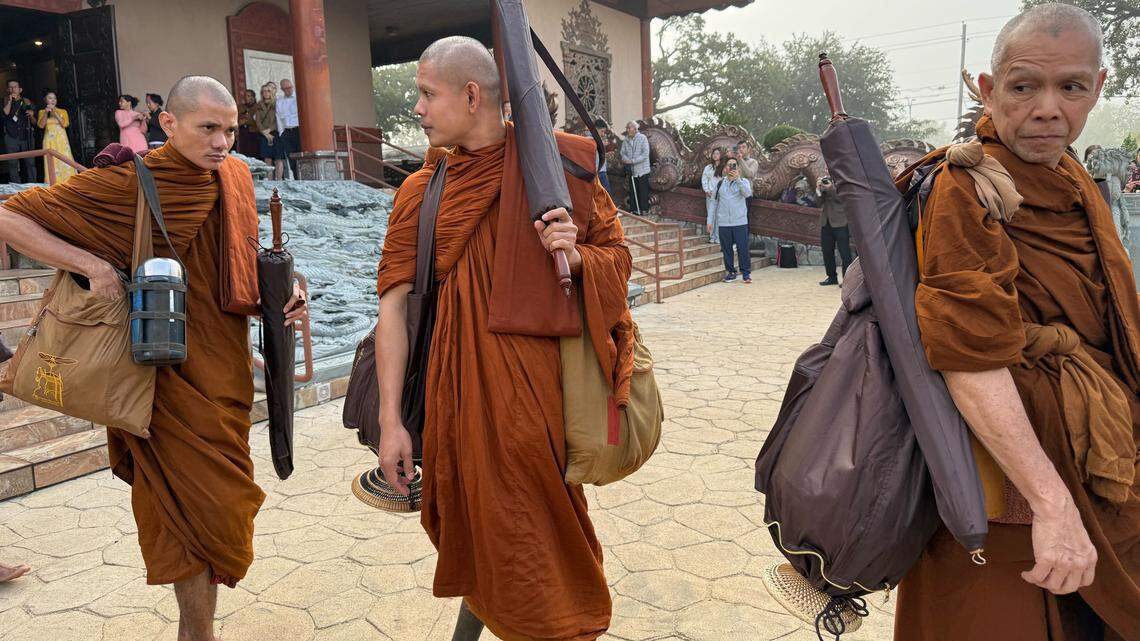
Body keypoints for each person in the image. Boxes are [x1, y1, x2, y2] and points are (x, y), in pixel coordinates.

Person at [0, 75, 309, 641]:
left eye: (230, 130)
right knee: (182, 511)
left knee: (223, 505)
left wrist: (286, 291)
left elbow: (240, 258)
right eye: (208, 128)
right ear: (168, 123)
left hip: (222, 373)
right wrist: (91, 265)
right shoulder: (130, 183)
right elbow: (8, 215)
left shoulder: (234, 178)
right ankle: (198, 633)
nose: (222, 142)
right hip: (159, 381)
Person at [894, 5, 1140, 640]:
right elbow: (970, 359)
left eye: (1071, 87)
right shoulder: (967, 184)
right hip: (1003, 476)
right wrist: (1051, 505)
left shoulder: (1070, 173)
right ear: (988, 88)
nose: (1048, 110)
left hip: (1092, 442)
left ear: (1098, 87)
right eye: (1024, 86)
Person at [374, 36, 632, 641]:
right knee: (488, 538)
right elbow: (393, 309)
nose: (417, 109)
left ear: (472, 95)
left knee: (538, 560)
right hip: (459, 411)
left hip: (540, 414)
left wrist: (578, 254)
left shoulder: (562, 171)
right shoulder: (421, 191)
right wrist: (391, 421)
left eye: (427, 94)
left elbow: (618, 265)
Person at [707, 155, 753, 283]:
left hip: (740, 222)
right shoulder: (720, 184)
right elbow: (713, 202)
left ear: (738, 168)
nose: (731, 167)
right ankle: (731, 272)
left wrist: (737, 179)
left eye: (734, 165)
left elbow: (747, 194)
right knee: (726, 249)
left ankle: (746, 273)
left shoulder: (743, 182)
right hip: (723, 223)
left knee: (742, 248)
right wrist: (709, 221)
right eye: (729, 165)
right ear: (725, 168)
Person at [816, 175, 850, 286]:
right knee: (827, 252)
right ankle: (831, 277)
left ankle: (848, 280)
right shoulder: (825, 185)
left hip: (840, 222)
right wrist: (818, 190)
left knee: (845, 252)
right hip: (825, 222)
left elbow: (842, 199)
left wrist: (831, 188)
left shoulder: (842, 181)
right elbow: (818, 203)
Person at [36, 91, 77, 184]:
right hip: (49, 141)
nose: (53, 100)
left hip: (61, 140)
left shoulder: (63, 111)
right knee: (51, 161)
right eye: (50, 98)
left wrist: (55, 111)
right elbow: (41, 126)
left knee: (65, 160)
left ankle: (69, 182)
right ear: (45, 100)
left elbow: (65, 124)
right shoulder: (42, 112)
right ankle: (53, 183)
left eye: (54, 98)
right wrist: (46, 113)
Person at [3, 80, 37, 183]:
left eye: (15, 87)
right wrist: (9, 101)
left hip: (26, 136)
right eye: (10, 87)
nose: (13, 89)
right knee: (12, 163)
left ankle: (33, 185)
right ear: (8, 90)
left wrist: (31, 115)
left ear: (20, 89)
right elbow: (5, 113)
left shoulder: (27, 102)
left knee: (30, 162)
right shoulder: (4, 101)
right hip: (11, 136)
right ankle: (16, 187)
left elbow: (35, 122)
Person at [620, 119, 650, 214]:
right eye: (627, 128)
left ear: (635, 129)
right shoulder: (626, 140)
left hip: (642, 170)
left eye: (629, 128)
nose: (627, 130)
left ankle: (644, 209)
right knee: (633, 190)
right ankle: (634, 209)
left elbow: (645, 154)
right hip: (632, 170)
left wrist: (632, 161)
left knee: (643, 190)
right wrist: (625, 159)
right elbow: (622, 153)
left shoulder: (642, 138)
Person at [254, 83, 282, 179]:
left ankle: (279, 179)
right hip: (264, 134)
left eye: (268, 91)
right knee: (267, 157)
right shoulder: (259, 105)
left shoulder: (277, 103)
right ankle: (269, 180)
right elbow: (257, 121)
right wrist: (264, 132)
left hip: (275, 132)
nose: (266, 93)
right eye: (264, 91)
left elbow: (278, 119)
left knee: (278, 157)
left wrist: (270, 130)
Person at [276, 78, 300, 179]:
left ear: (292, 86)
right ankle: (296, 178)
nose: (288, 90)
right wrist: (281, 133)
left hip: (298, 130)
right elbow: (278, 118)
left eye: (289, 88)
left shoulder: (298, 98)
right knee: (291, 158)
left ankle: (304, 178)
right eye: (285, 89)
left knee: (301, 155)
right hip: (286, 132)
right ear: (282, 89)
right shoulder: (280, 101)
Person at [701, 147, 724, 245]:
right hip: (710, 195)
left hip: (721, 196)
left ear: (721, 155)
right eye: (714, 153)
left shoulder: (724, 168)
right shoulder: (708, 167)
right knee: (711, 216)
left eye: (717, 153)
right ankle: (711, 236)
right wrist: (707, 190)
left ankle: (718, 238)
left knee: (719, 217)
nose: (715, 155)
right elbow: (704, 179)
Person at [236, 89, 260, 157]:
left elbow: (258, 121)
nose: (246, 98)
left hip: (254, 132)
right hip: (242, 132)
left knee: (254, 153)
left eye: (248, 96)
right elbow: (237, 118)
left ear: (253, 97)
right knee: (243, 153)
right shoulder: (241, 107)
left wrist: (246, 121)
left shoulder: (258, 107)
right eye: (245, 96)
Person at [593, 117, 612, 196]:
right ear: (596, 129)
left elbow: (597, 154)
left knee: (605, 193)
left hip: (602, 170)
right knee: (605, 194)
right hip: (597, 171)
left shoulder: (599, 139)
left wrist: (606, 155)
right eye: (602, 131)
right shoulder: (590, 139)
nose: (603, 134)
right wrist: (601, 144)